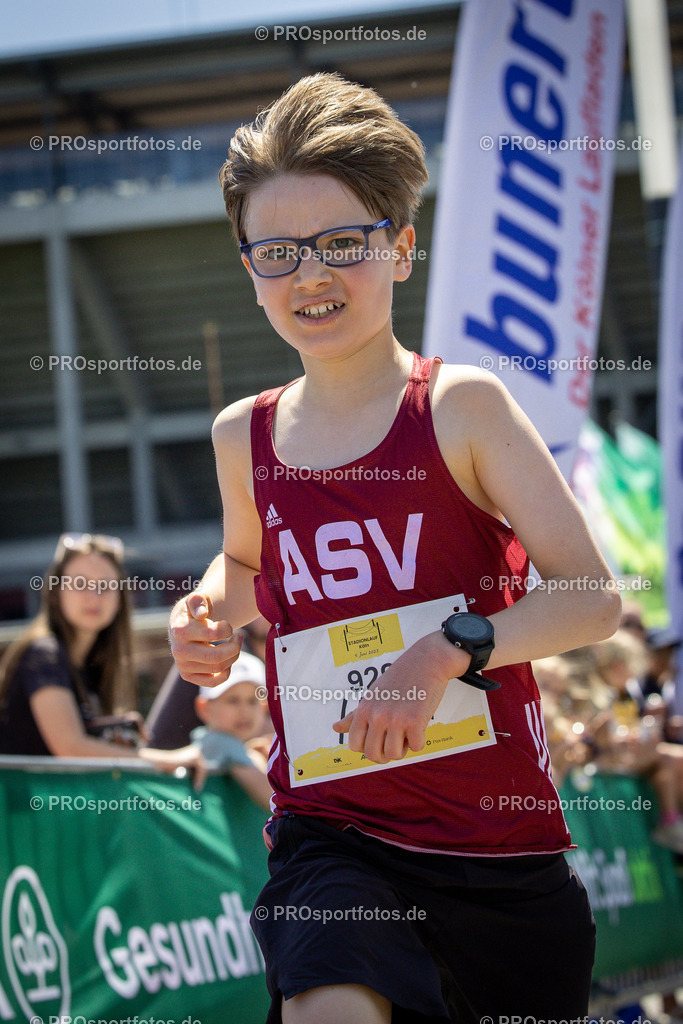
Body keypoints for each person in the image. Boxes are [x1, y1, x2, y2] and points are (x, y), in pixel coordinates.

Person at [169, 73, 622, 1024]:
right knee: (330, 1001)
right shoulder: (237, 435)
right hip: (329, 831)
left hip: (496, 848)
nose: (311, 275)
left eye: (342, 244)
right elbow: (252, 570)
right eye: (279, 252)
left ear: (401, 249)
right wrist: (209, 611)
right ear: (249, 269)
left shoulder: (462, 407)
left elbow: (589, 596)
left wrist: (447, 649)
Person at [0, 533, 144, 757]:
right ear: (56, 592)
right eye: (80, 583)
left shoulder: (93, 663)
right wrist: (163, 762)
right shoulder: (44, 654)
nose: (94, 596)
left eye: (105, 585)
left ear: (120, 599)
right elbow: (70, 748)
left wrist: (109, 728)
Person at [140, 650, 272, 806]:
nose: (244, 711)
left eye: (252, 701)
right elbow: (270, 798)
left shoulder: (232, 747)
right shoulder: (220, 743)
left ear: (264, 708)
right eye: (232, 700)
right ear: (204, 708)